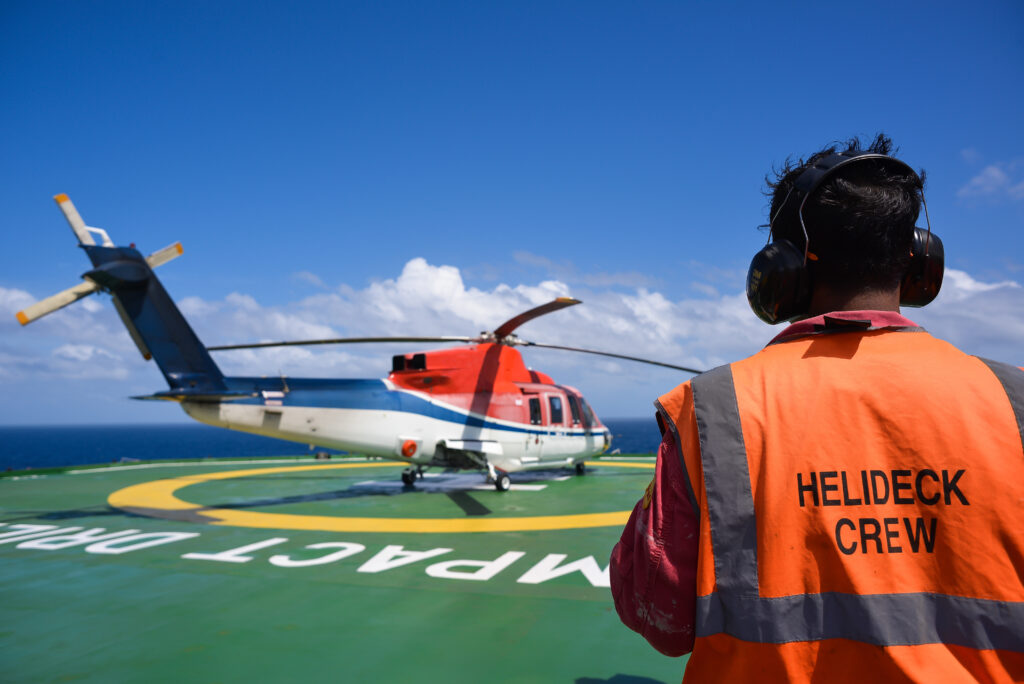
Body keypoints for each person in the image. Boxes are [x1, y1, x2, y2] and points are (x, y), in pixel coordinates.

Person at [610, 134, 1024, 682]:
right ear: (917, 258)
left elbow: (656, 614)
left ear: (781, 269)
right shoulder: (1013, 400)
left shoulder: (710, 411)